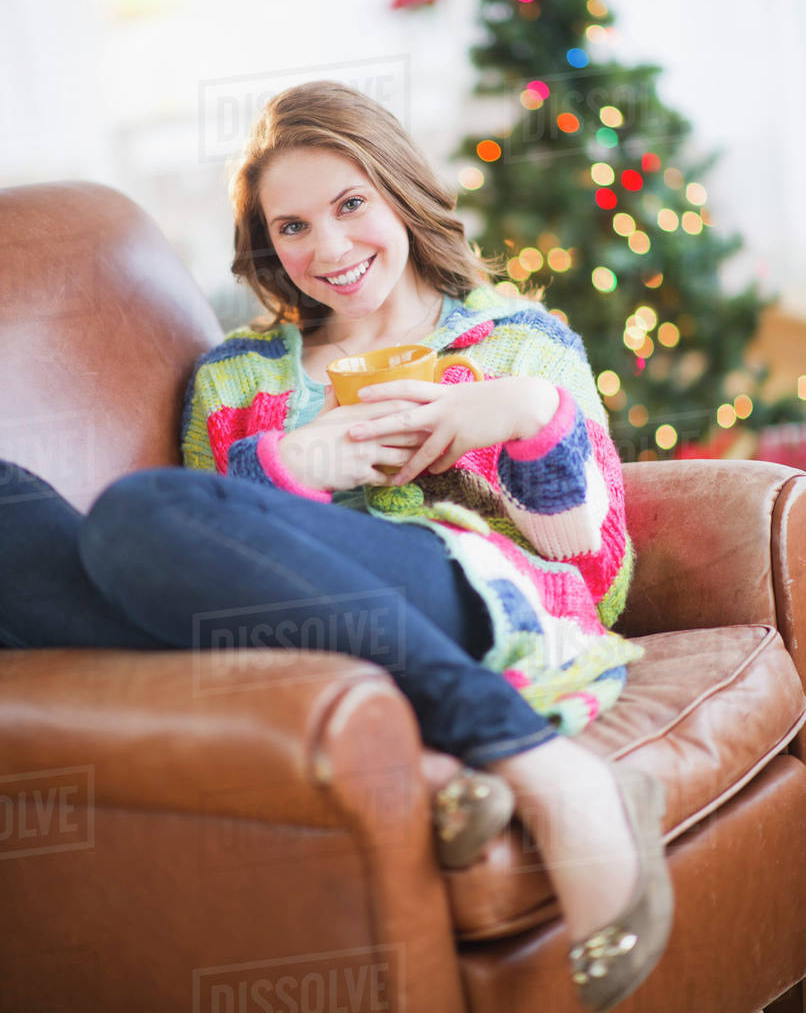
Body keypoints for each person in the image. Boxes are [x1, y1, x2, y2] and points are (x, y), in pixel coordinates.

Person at [1, 80, 672, 1010]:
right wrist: (293, 462)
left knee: (133, 514)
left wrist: (525, 418)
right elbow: (210, 552)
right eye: (292, 227)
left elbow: (596, 581)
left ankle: (538, 763)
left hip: (471, 595)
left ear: (398, 191)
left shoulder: (520, 343)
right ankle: (460, 751)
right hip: (270, 642)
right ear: (267, 245)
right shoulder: (232, 379)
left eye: (350, 204)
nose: (328, 248)